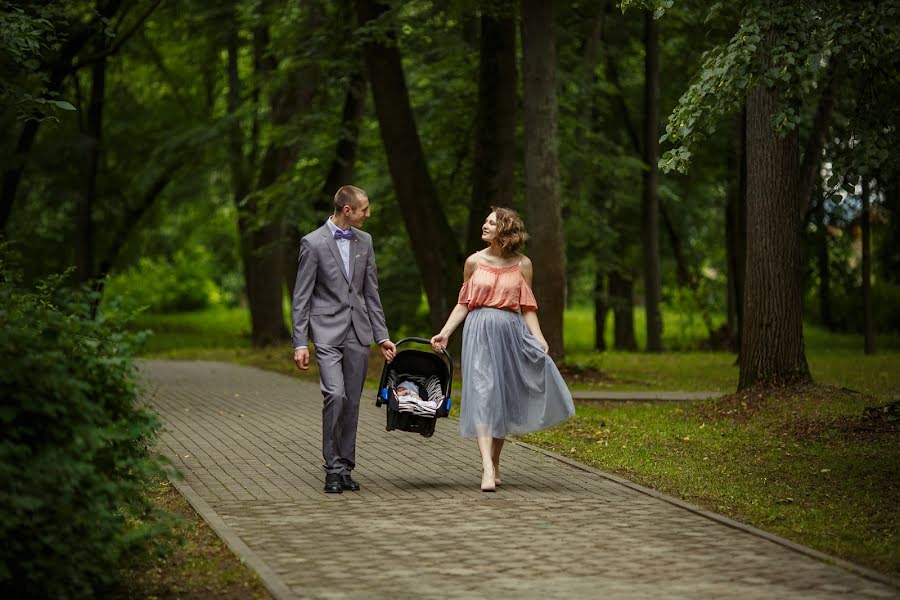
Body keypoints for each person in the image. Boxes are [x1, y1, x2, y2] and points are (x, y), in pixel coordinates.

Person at [430, 207, 574, 492]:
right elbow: (464, 302)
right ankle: (485, 466)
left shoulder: (523, 264)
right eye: (485, 221)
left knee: (502, 398)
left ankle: (495, 462)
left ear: (505, 230)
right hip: (479, 331)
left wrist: (540, 337)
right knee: (483, 395)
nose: (484, 225)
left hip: (511, 332)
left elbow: (527, 306)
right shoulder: (473, 262)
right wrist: (445, 332)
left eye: (491, 222)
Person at [292, 185, 396, 494]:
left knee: (351, 401)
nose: (369, 213)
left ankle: (345, 468)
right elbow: (302, 296)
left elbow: (371, 293)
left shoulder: (365, 241)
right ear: (347, 210)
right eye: (365, 208)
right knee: (334, 395)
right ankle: (331, 468)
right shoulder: (312, 243)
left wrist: (382, 337)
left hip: (358, 332)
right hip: (325, 331)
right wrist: (300, 342)